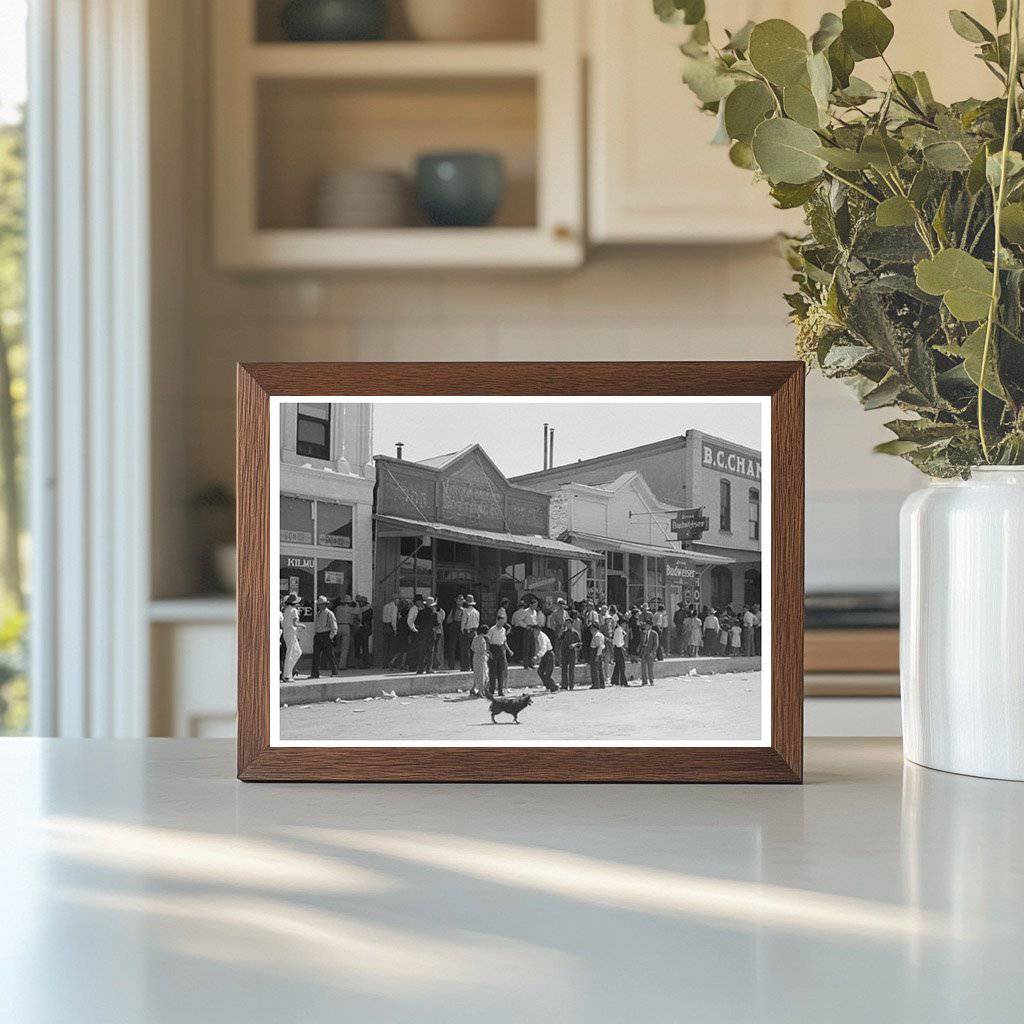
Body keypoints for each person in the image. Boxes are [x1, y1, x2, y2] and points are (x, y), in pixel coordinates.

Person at [309, 595, 338, 679]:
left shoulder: (329, 613)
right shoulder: (318, 613)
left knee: (330, 654)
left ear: (325, 604)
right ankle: (315, 674)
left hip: (326, 635)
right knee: (316, 655)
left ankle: (334, 672)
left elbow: (334, 626)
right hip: (318, 635)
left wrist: (330, 637)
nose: (319, 606)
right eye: (318, 604)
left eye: (321, 604)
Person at [486, 619, 513, 696]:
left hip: (500, 648)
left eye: (502, 622)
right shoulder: (492, 629)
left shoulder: (503, 630)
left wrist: (508, 650)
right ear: (497, 621)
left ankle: (500, 691)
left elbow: (504, 641)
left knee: (500, 670)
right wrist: (488, 651)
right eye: (500, 622)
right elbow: (488, 640)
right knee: (493, 671)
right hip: (493, 647)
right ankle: (491, 690)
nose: (501, 624)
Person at [281, 592, 304, 682]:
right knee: (291, 654)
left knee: (297, 652)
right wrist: (302, 625)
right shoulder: (294, 610)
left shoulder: (286, 610)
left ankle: (288, 673)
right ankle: (287, 675)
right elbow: (295, 623)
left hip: (287, 633)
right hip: (291, 633)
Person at [414, 596, 439, 675]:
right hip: (430, 635)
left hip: (422, 634)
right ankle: (428, 669)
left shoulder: (420, 612)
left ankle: (420, 669)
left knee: (421, 652)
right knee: (430, 652)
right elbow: (437, 625)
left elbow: (416, 623)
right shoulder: (434, 614)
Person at [333, 595, 358, 670]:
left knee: (337, 646)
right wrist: (357, 604)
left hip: (337, 626)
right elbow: (359, 611)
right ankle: (342, 665)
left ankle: (332, 662)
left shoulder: (337, 608)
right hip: (346, 627)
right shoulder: (350, 609)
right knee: (345, 648)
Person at [531, 622, 558, 692]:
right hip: (545, 655)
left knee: (547, 673)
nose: (533, 632)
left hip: (549, 655)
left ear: (538, 630)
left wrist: (537, 656)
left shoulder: (542, 637)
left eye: (534, 630)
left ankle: (554, 687)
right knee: (540, 671)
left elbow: (544, 648)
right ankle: (548, 686)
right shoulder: (538, 636)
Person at [459, 594, 480, 671]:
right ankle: (473, 666)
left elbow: (463, 623)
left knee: (466, 650)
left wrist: (462, 630)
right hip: (474, 631)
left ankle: (466, 666)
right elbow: (477, 623)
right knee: (473, 650)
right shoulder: (477, 612)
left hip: (467, 631)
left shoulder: (465, 611)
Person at [559, 618, 581, 690]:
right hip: (564, 652)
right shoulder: (564, 632)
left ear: (572, 624)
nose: (567, 625)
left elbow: (579, 643)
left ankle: (571, 685)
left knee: (571, 669)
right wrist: (561, 630)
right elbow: (559, 638)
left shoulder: (575, 633)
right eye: (566, 623)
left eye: (568, 623)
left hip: (572, 652)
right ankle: (564, 685)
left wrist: (574, 645)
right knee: (564, 669)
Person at [470, 624, 490, 697]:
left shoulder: (475, 638)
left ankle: (473, 688)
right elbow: (483, 650)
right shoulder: (482, 640)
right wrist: (487, 654)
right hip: (481, 657)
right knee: (482, 674)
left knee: (476, 673)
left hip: (475, 656)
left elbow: (472, 647)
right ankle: (480, 691)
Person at [353, 595, 372, 668]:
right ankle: (358, 662)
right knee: (358, 646)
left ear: (364, 602)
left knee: (364, 646)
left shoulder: (368, 609)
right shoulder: (361, 609)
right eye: (359, 602)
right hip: (360, 629)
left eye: (361, 602)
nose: (360, 603)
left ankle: (366, 663)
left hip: (364, 629)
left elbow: (366, 619)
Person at [380, 593, 399, 667]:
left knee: (385, 646)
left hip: (385, 625)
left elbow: (383, 617)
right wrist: (395, 629)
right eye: (398, 599)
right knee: (392, 645)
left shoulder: (385, 606)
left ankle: (384, 663)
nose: (398, 601)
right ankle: (391, 663)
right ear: (395, 600)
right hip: (390, 626)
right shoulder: (394, 607)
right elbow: (393, 619)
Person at [639, 619, 659, 686]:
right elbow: (642, 642)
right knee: (643, 667)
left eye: (647, 625)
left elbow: (656, 644)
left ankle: (651, 680)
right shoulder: (644, 633)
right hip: (644, 651)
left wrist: (653, 651)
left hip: (650, 651)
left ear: (650, 626)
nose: (645, 626)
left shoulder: (654, 633)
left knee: (650, 667)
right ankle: (644, 681)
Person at [446, 596, 463, 669]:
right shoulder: (453, 610)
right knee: (452, 647)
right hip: (454, 628)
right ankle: (451, 665)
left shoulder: (465, 610)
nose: (459, 602)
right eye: (458, 600)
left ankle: (463, 664)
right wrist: (454, 617)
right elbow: (448, 621)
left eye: (460, 600)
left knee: (462, 647)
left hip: (461, 628)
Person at [611, 616, 628, 686]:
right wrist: (622, 648)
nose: (625, 625)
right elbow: (618, 643)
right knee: (622, 666)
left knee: (618, 665)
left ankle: (614, 681)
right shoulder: (619, 630)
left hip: (617, 648)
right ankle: (623, 682)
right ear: (622, 623)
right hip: (619, 648)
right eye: (624, 623)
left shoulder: (619, 630)